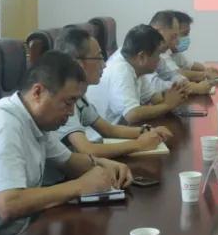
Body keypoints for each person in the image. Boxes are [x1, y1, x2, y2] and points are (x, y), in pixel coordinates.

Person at [0, 51, 133, 235]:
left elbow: (69, 162)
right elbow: (10, 204)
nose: (72, 112)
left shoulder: (35, 119)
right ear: (38, 92)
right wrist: (80, 186)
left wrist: (105, 165)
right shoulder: (3, 126)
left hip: (8, 234)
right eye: (68, 102)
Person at [52, 27, 172, 159]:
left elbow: (109, 130)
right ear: (80, 64)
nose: (104, 65)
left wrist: (149, 131)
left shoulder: (80, 97)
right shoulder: (63, 100)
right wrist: (139, 144)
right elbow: (87, 150)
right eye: (99, 58)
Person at [87, 24, 188, 125]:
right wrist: (167, 105)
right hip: (103, 133)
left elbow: (153, 97)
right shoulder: (121, 70)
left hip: (120, 128)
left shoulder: (135, 65)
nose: (159, 59)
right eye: (157, 54)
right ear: (142, 57)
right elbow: (132, 114)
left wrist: (175, 96)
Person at [145, 11, 212, 95]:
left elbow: (172, 75)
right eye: (173, 37)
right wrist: (192, 87)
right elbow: (154, 85)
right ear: (157, 31)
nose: (177, 42)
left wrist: (186, 84)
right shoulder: (142, 51)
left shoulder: (157, 55)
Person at [170, 11, 218, 82]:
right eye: (185, 34)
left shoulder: (175, 53)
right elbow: (176, 73)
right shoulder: (161, 54)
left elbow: (189, 64)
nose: (187, 38)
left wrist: (209, 69)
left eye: (187, 34)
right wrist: (205, 75)